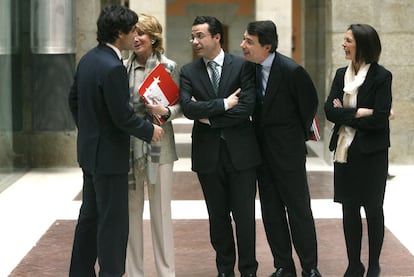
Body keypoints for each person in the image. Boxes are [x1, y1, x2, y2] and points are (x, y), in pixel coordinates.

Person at [68, 5, 163, 277]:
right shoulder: (113, 68)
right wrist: (149, 130)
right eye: (132, 30)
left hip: (90, 153)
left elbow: (73, 100)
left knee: (90, 217)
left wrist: (89, 130)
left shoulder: (88, 60)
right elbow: (122, 117)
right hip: (109, 158)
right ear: (119, 33)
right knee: (113, 224)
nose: (135, 35)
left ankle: (80, 272)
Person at [179, 16, 261, 277]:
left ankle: (248, 269)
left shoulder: (243, 67)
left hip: (242, 154)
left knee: (245, 217)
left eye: (200, 36)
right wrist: (225, 104)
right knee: (218, 217)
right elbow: (188, 109)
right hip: (208, 156)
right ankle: (225, 269)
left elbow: (247, 107)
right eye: (192, 37)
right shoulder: (188, 71)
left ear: (217, 37)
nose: (195, 42)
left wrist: (208, 116)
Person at [240, 20, 321, 277]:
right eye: (244, 39)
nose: (243, 45)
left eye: (249, 41)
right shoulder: (249, 69)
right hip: (261, 154)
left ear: (267, 46)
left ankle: (309, 267)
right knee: (271, 212)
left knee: (298, 211)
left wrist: (292, 137)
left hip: (288, 153)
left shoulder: (291, 70)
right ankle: (283, 265)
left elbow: (309, 105)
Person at [324, 24, 392, 277]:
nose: (343, 44)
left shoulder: (381, 76)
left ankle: (374, 264)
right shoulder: (341, 74)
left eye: (348, 40)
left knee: (373, 209)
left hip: (372, 153)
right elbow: (329, 111)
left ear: (362, 44)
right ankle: (354, 264)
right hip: (344, 152)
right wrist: (359, 112)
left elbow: (379, 119)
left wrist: (346, 114)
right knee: (349, 209)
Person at [124, 13, 180, 277]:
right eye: (133, 33)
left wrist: (166, 110)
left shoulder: (169, 67)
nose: (136, 38)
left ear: (153, 38)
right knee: (132, 212)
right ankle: (134, 272)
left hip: (161, 147)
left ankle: (165, 272)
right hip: (130, 147)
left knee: (161, 213)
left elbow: (182, 104)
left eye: (141, 33)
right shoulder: (122, 67)